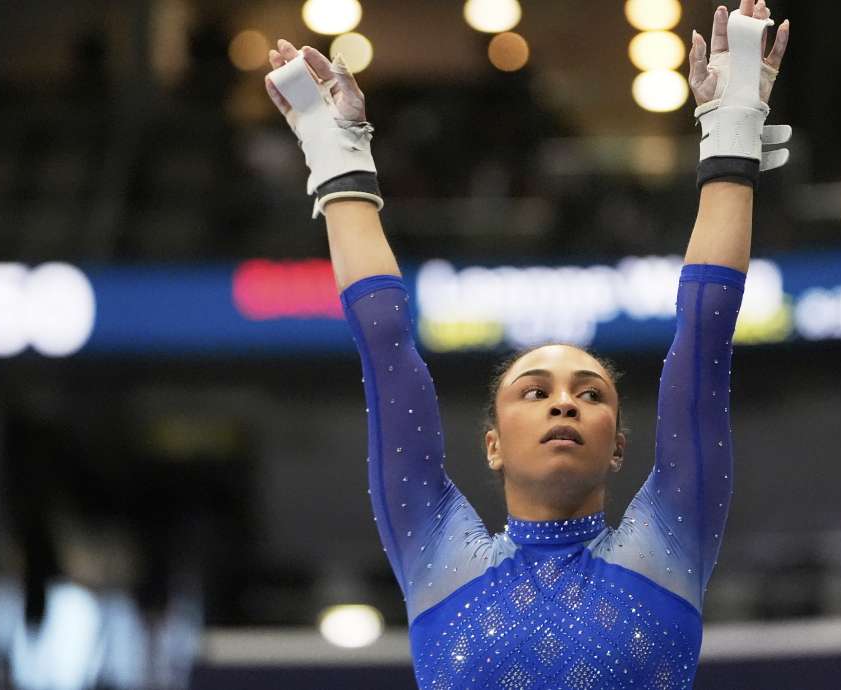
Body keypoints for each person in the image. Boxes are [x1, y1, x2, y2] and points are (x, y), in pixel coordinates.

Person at [264, 1, 790, 686]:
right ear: (492, 443)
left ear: (620, 443)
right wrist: (339, 163)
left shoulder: (671, 540)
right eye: (535, 391)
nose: (564, 404)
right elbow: (385, 351)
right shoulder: (435, 553)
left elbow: (706, 333)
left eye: (590, 393)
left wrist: (733, 139)